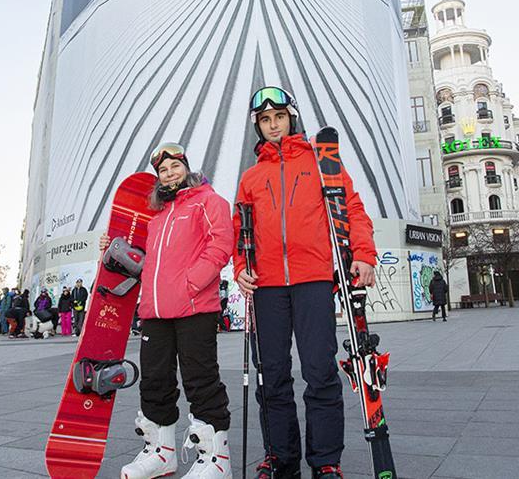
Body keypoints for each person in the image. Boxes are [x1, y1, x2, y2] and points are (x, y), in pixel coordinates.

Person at [233, 86, 376, 479]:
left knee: (320, 371)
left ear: (290, 118)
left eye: (278, 117)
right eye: (265, 120)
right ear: (257, 128)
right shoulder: (250, 177)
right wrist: (240, 266)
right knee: (272, 374)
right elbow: (240, 230)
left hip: (313, 280)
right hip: (267, 287)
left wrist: (363, 254)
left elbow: (353, 209)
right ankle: (281, 457)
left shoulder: (321, 162)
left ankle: (325, 460)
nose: (273, 125)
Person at [103, 141, 233, 479]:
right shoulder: (157, 217)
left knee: (200, 379)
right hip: (155, 312)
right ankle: (162, 454)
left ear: (186, 167)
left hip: (194, 307)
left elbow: (221, 244)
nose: (170, 173)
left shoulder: (209, 201)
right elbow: (142, 260)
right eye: (163, 170)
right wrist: (112, 248)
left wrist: (192, 282)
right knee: (155, 381)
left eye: (175, 166)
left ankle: (216, 460)